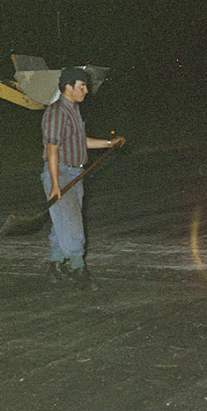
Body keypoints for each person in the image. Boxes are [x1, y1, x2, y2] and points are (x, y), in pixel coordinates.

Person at [41, 66, 125, 290]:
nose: (86, 90)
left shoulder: (73, 109)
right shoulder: (57, 112)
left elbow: (81, 141)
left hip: (75, 173)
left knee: (63, 222)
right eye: (82, 86)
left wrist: (109, 143)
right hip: (61, 173)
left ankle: (55, 266)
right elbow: (52, 149)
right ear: (68, 87)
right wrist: (56, 184)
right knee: (73, 224)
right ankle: (79, 270)